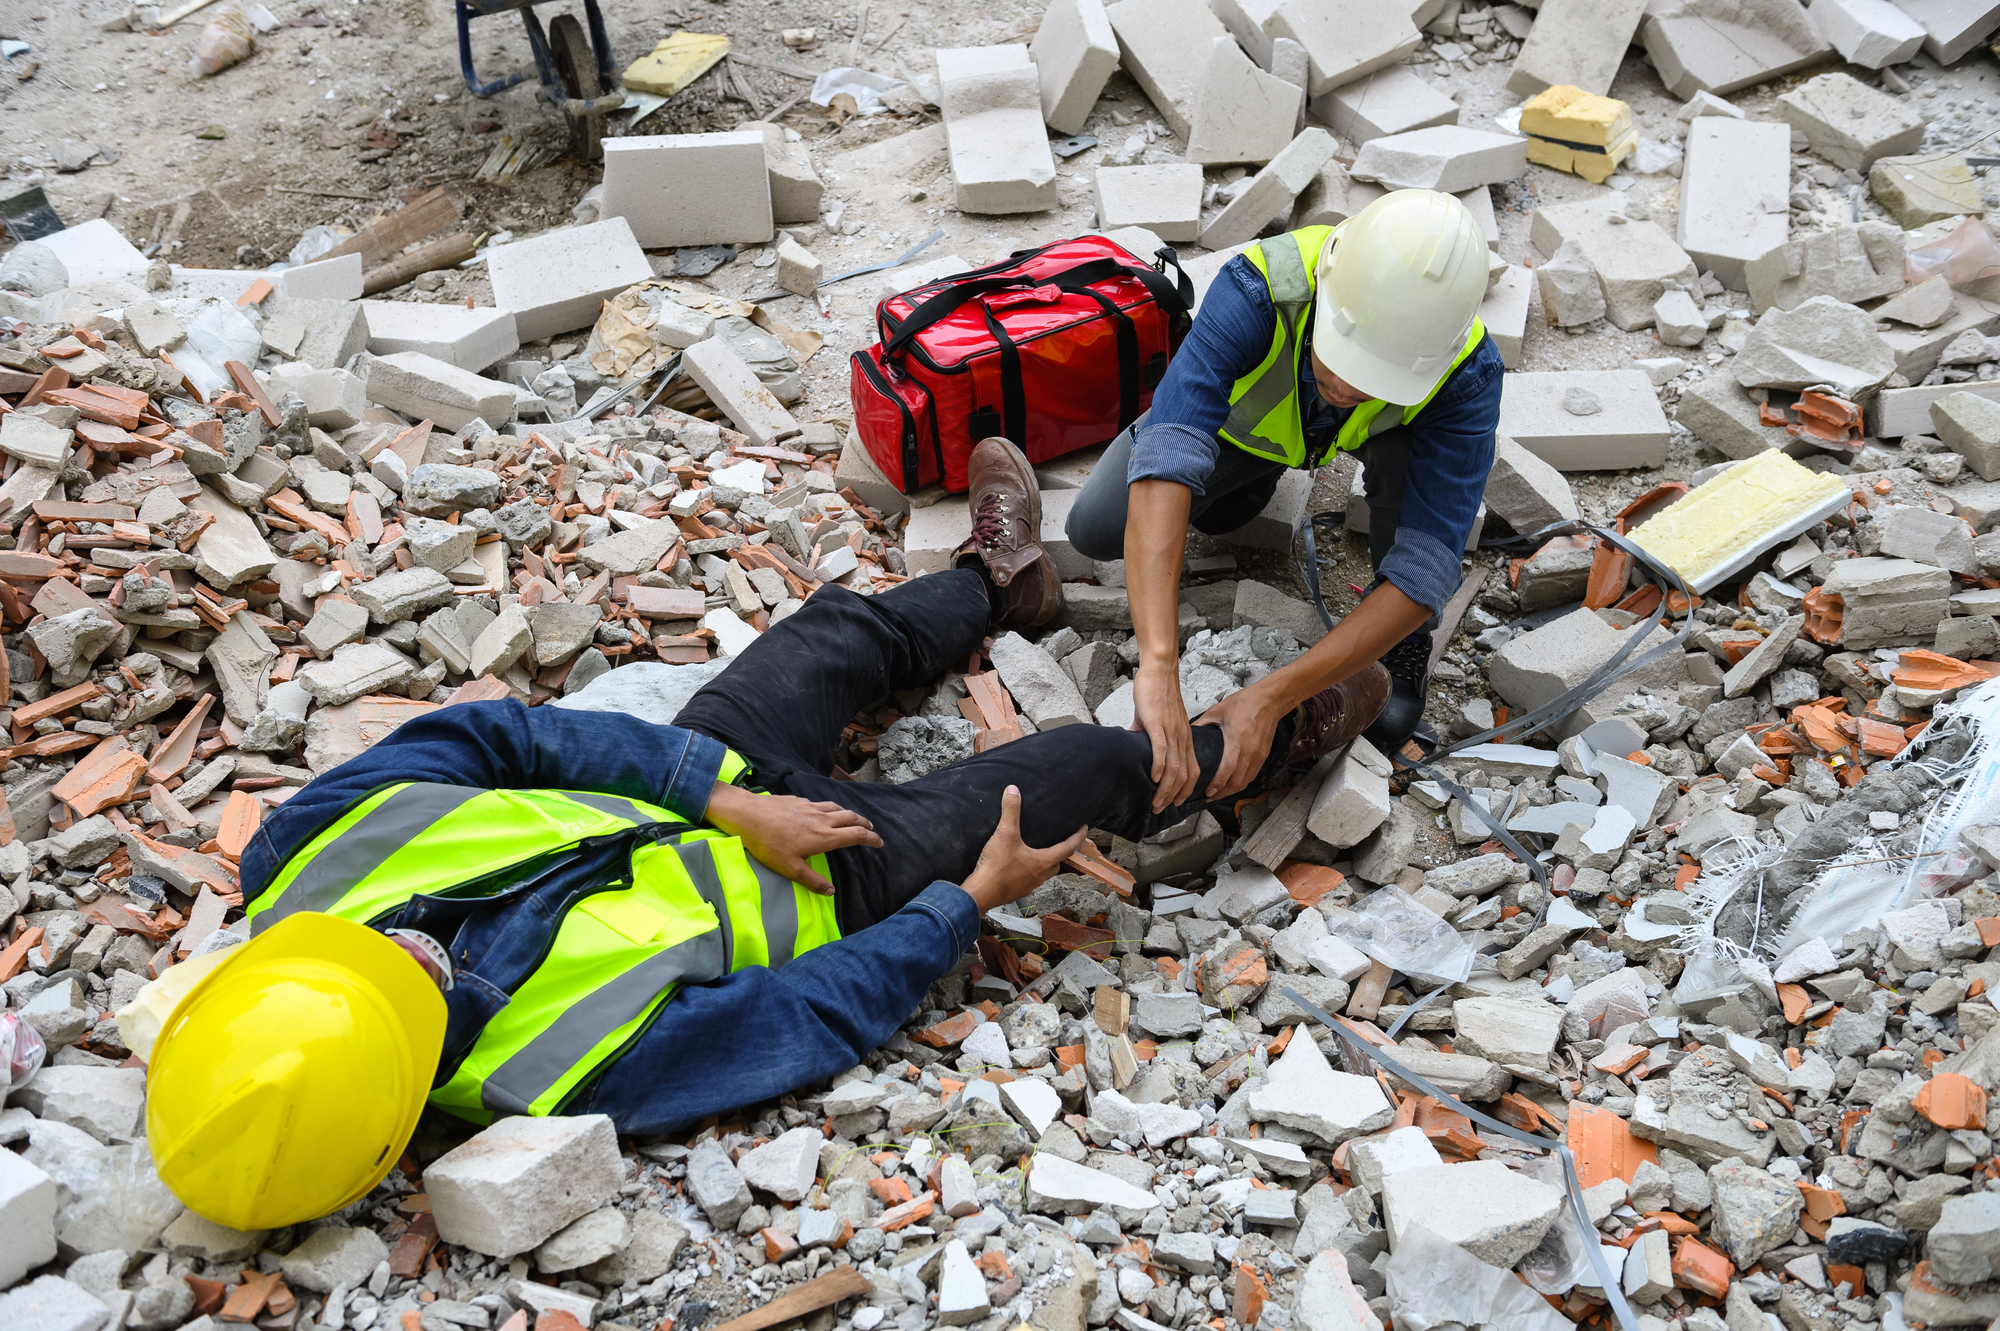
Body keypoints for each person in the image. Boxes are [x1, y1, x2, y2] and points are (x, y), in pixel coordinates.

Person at [141, 438, 1387, 1231]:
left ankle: (999, 585)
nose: (404, 957)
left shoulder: (301, 858)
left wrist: (719, 790)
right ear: (394, 1113)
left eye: (365, 956)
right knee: (1073, 765)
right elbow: (803, 1019)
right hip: (845, 875)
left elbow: (506, 737)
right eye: (402, 1000)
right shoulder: (543, 1083)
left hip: (698, 792)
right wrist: (969, 900)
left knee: (829, 637)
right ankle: (1263, 753)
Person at [1065, 189, 1503, 815]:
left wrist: (1273, 697)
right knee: (1098, 526)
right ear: (1327, 286)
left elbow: (1428, 565)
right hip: (1243, 429)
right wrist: (1157, 662)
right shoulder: (1257, 286)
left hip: (1376, 450)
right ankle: (1254, 472)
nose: (1349, 387)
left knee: (1413, 533)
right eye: (1340, 362)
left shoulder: (1466, 370)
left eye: (1373, 375)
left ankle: (1402, 648)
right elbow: (1167, 456)